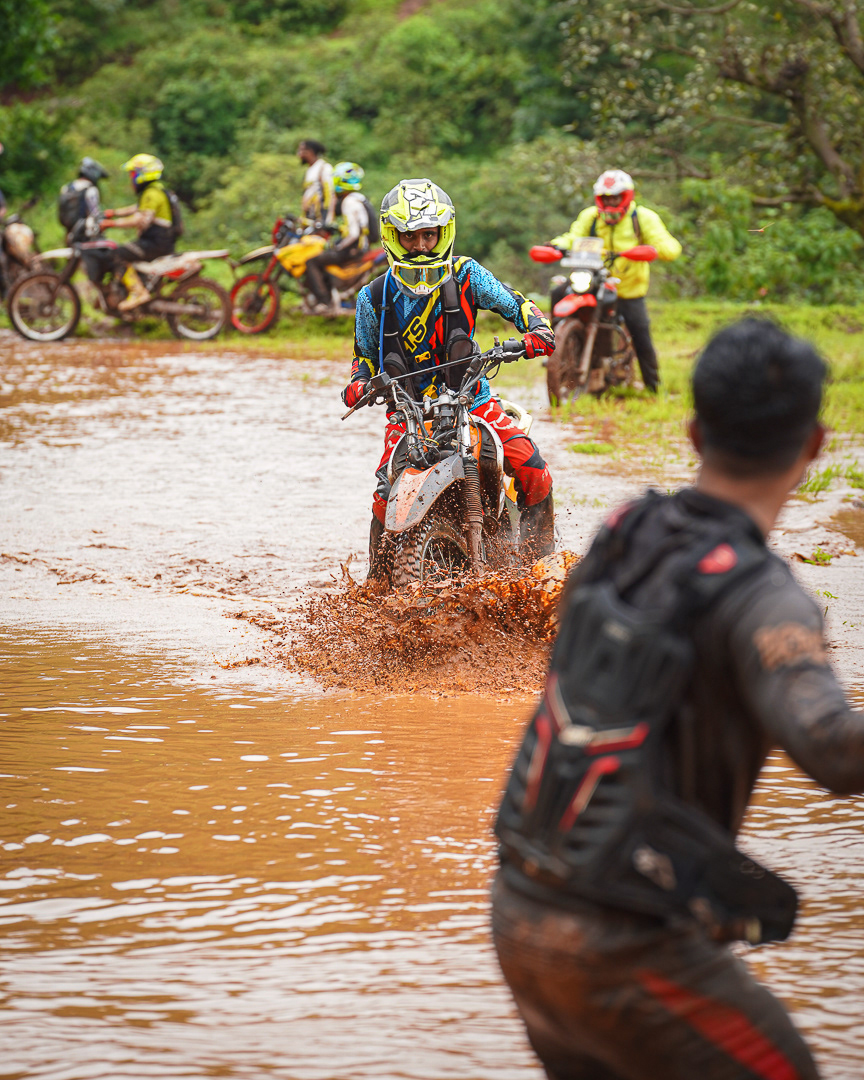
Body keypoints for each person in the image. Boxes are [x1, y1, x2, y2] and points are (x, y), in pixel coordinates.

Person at [492, 318, 864, 1080]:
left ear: (694, 433)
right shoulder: (766, 597)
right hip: (622, 944)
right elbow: (831, 747)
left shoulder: (621, 531)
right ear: (815, 447)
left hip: (518, 911)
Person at [344, 177, 556, 580]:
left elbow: (515, 304)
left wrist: (538, 330)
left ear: (444, 233)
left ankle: (541, 563)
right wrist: (359, 384)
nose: (421, 245)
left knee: (532, 467)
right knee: (384, 497)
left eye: (429, 235)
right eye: (410, 236)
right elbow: (363, 358)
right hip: (407, 414)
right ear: (392, 237)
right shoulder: (373, 296)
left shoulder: (467, 274)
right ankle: (377, 586)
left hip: (473, 402)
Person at [549, 169, 681, 393]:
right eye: (606, 198)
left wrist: (650, 250)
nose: (610, 202)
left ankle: (653, 389)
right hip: (593, 282)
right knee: (557, 292)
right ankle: (555, 347)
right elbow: (573, 237)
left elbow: (671, 247)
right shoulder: (590, 216)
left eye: (615, 198)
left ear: (626, 196)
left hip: (628, 289)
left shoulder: (643, 218)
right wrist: (555, 246)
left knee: (640, 333)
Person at [98, 153, 177, 311]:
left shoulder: (152, 194)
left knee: (117, 253)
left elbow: (140, 219)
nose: (131, 178)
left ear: (142, 174)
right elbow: (136, 208)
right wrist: (113, 213)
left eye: (133, 174)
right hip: (160, 242)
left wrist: (112, 223)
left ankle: (137, 292)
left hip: (155, 243)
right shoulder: (156, 191)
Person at [305, 161, 376, 314]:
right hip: (363, 246)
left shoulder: (348, 202)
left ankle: (324, 302)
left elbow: (353, 233)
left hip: (353, 249)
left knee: (312, 261)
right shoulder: (359, 198)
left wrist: (338, 246)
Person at [58, 157, 109, 283]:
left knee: (71, 265)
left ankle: (63, 287)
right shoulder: (91, 190)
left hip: (69, 232)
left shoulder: (66, 187)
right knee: (96, 265)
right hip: (86, 233)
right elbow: (95, 213)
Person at [297, 138, 335, 226]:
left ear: (310, 152)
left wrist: (328, 219)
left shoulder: (323, 168)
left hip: (320, 218)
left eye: (301, 150)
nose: (299, 154)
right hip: (309, 217)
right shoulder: (310, 169)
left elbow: (330, 194)